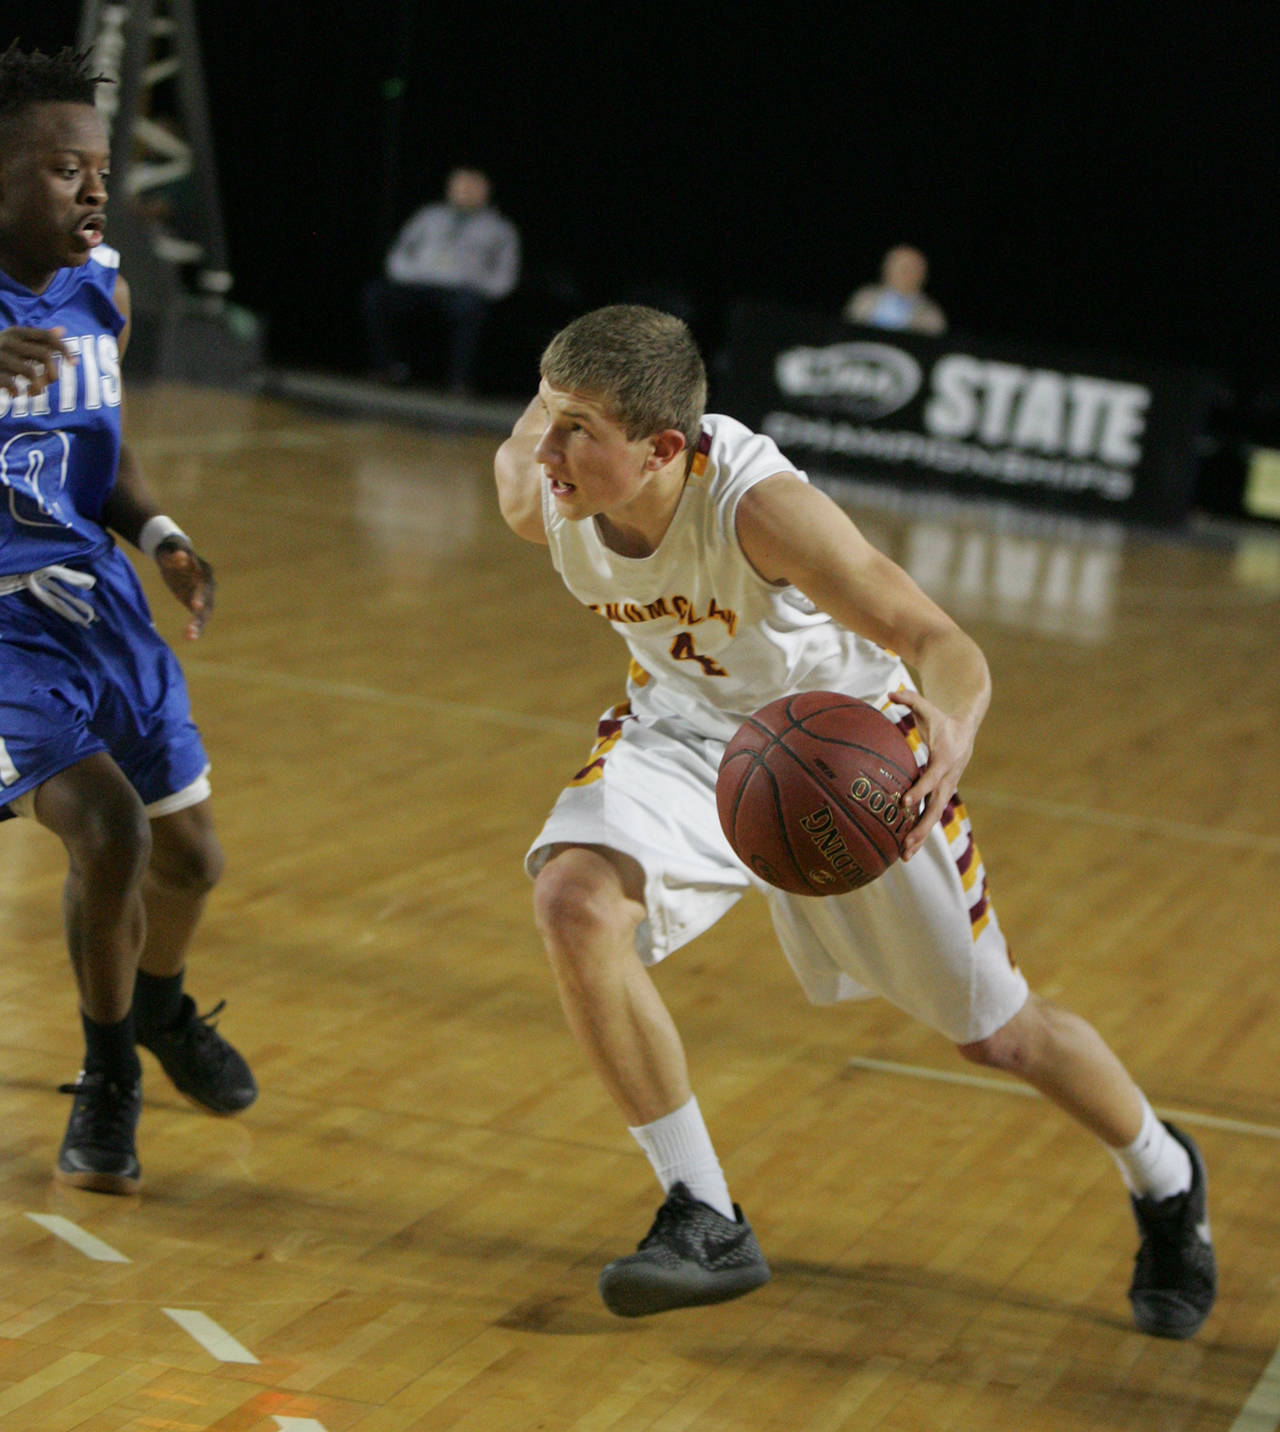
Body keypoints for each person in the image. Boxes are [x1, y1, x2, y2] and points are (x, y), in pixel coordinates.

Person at [493, 304, 1215, 1339]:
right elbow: (533, 447)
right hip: (685, 734)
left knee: (1000, 1035)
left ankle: (1163, 1172)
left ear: (661, 450)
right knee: (573, 898)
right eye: (546, 415)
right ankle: (704, 1213)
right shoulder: (539, 494)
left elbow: (936, 637)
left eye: (577, 431)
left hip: (840, 752)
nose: (547, 450)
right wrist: (556, 407)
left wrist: (954, 727)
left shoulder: (762, 510)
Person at [0, 42, 256, 1195]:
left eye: (99, 167)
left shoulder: (102, 283)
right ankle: (108, 1076)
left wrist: (161, 539)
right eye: (65, 170)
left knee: (190, 860)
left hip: (95, 604)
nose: (94, 189)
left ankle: (157, 1006)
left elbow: (99, 452)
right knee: (108, 832)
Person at [362, 166, 520, 394]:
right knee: (376, 295)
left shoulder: (500, 228)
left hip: (462, 293)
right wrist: (408, 275)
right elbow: (400, 252)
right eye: (461, 186)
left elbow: (506, 273)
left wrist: (481, 289)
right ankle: (388, 368)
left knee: (470, 310)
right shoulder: (428, 216)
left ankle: (459, 381)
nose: (466, 191)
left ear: (486, 190)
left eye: (473, 186)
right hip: (417, 285)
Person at [844, 244, 947, 334]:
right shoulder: (864, 298)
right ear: (886, 269)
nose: (905, 274)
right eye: (901, 267)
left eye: (912, 269)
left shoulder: (931, 314)